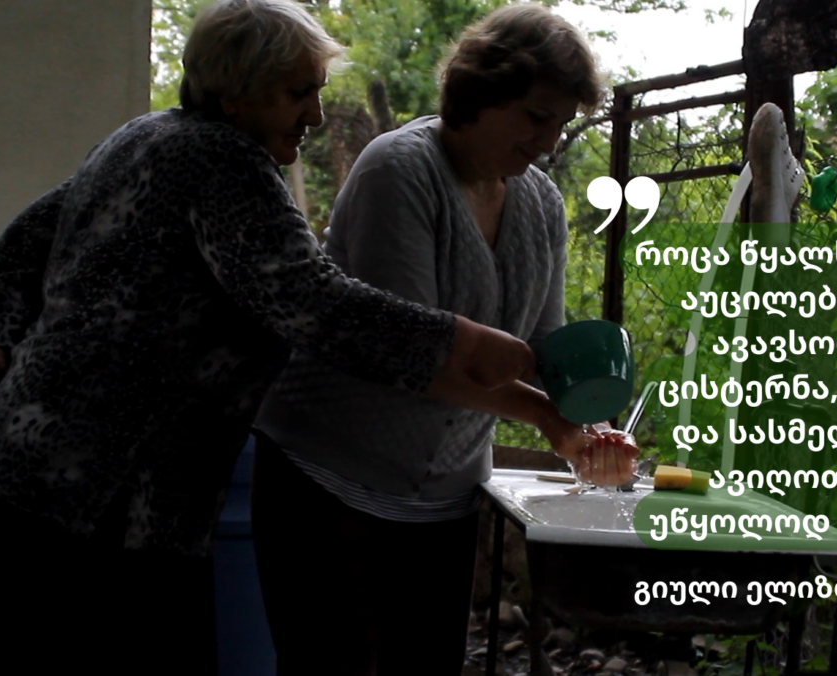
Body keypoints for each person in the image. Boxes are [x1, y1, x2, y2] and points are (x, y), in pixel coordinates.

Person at [0, 1, 536, 674]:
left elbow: (15, 251)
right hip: (90, 500)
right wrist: (460, 340)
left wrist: (2, 348)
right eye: (297, 93)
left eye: (316, 92)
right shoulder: (224, 159)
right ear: (233, 95)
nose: (314, 115)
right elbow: (307, 301)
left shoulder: (145, 135)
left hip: (12, 478)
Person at [250, 5, 638, 674]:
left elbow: (544, 344)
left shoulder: (542, 203)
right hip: (326, 481)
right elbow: (415, 356)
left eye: (561, 123)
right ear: (482, 92)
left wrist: (588, 425)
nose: (549, 142)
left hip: (445, 498)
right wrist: (547, 418)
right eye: (536, 117)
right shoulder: (398, 170)